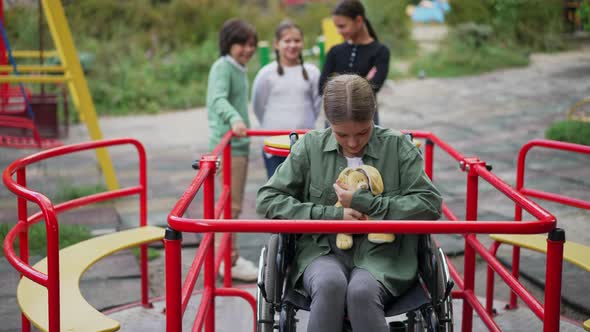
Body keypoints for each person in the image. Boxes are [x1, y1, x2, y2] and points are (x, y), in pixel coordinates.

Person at [256, 74, 442, 332]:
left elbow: (430, 204)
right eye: (342, 134)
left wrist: (367, 204)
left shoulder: (398, 147)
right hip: (322, 251)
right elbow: (267, 199)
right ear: (329, 122)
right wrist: (332, 215)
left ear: (373, 116)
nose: (353, 143)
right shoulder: (310, 147)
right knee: (330, 284)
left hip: (385, 256)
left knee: (362, 291)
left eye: (363, 132)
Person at [206, 18, 258, 282]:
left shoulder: (238, 67)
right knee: (231, 206)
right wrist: (235, 118)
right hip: (229, 146)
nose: (247, 49)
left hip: (239, 144)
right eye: (241, 44)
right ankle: (229, 260)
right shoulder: (223, 67)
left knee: (231, 204)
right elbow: (217, 98)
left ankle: (226, 256)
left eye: (251, 45)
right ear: (228, 43)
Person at [252, 20, 322, 178]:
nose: (292, 45)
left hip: (304, 142)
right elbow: (258, 106)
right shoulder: (266, 74)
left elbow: (317, 105)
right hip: (274, 144)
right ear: (276, 44)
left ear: (303, 43)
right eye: (287, 41)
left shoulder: (312, 72)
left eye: (297, 40)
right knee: (277, 190)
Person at [319, 0, 391, 126]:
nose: (338, 31)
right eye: (336, 27)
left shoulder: (381, 51)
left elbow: (376, 86)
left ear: (358, 21)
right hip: (335, 119)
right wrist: (365, 81)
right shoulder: (335, 51)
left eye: (342, 26)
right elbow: (321, 86)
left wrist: (336, 84)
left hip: (366, 118)